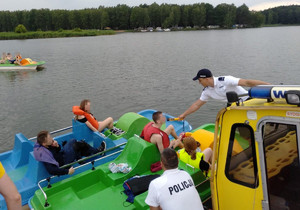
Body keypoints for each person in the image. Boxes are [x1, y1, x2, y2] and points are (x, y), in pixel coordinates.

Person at [179, 68, 270, 119]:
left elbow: (246, 82)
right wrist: (184, 114)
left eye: (200, 80)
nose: (199, 83)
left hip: (247, 100)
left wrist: (269, 86)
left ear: (207, 79)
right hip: (233, 104)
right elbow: (197, 105)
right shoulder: (207, 91)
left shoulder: (225, 80)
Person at [33, 130, 106, 176]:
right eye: (49, 138)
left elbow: (56, 151)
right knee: (78, 144)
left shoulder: (48, 146)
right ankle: (98, 151)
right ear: (44, 143)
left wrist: (57, 146)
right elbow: (52, 170)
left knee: (73, 141)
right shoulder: (45, 155)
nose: (52, 139)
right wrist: (67, 171)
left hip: (63, 155)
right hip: (65, 162)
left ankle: (79, 157)